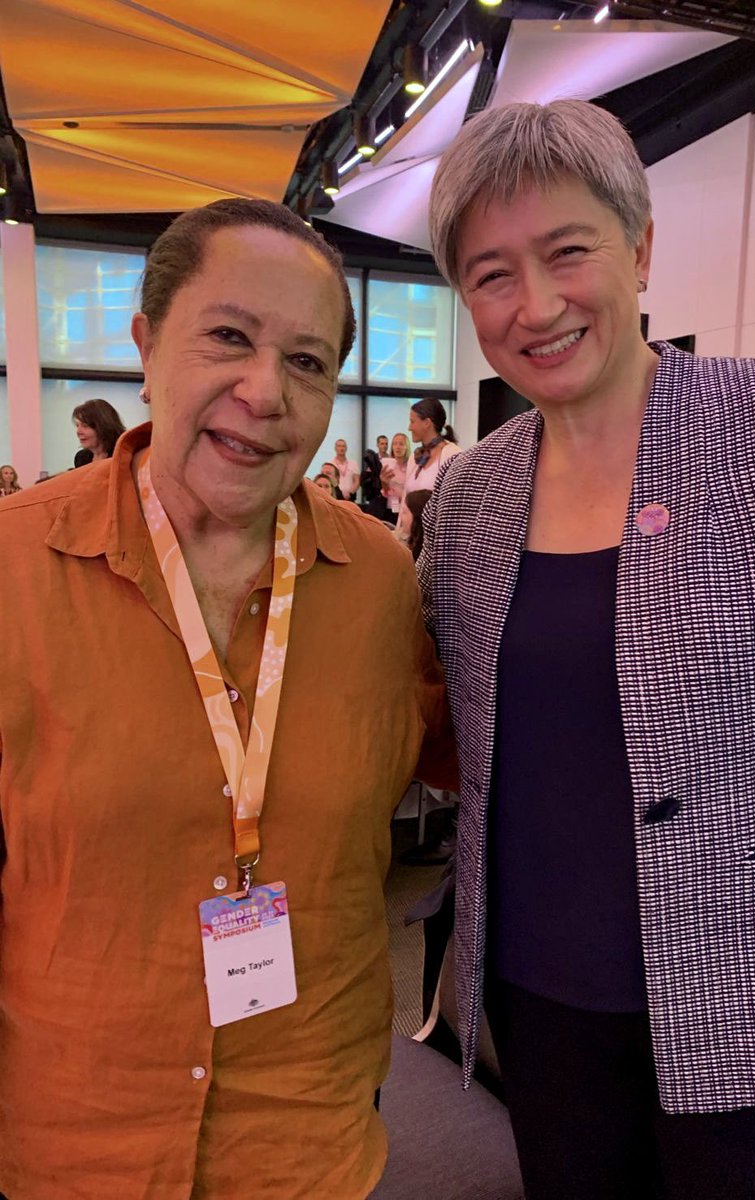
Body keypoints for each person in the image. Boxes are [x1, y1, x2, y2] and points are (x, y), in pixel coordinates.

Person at [420, 98, 755, 1199]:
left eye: (567, 252)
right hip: (546, 1015)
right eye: (492, 274)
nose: (535, 305)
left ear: (638, 247)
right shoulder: (474, 493)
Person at [0, 197, 454, 1200]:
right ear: (147, 343)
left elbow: (475, 747)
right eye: (230, 339)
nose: (266, 392)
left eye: (307, 362)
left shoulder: (380, 580)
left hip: (309, 1135)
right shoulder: (16, 570)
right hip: (75, 1140)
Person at [398, 399, 459, 528]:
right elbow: (405, 501)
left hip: (435, 537)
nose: (409, 427)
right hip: (412, 538)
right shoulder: (415, 457)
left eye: (412, 421)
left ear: (426, 423)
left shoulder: (452, 454)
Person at [73, 397, 127, 461]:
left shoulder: (123, 454)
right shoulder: (81, 458)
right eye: (77, 425)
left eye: (85, 426)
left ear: (103, 426)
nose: (78, 432)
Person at [379, 432, 412, 526]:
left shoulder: (412, 465)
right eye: (395, 444)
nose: (398, 447)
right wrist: (383, 482)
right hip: (390, 508)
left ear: (407, 447)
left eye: (401, 444)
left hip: (407, 509)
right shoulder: (388, 464)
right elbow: (385, 491)